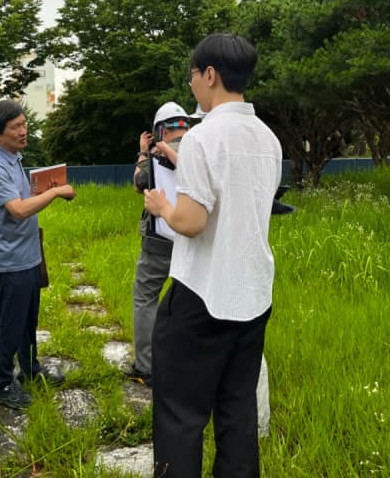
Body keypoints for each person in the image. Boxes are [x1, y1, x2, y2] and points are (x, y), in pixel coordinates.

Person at [144, 33, 282, 477]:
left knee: (181, 415)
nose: (192, 86)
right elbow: (233, 187)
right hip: (253, 294)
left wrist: (162, 206)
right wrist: (174, 155)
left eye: (193, 77)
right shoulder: (267, 138)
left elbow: (192, 220)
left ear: (210, 74)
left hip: (202, 295)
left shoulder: (204, 138)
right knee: (236, 413)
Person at [0, 100, 76, 409]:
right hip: (10, 261)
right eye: (15, 127)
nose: (23, 131)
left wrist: (46, 186)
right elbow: (18, 210)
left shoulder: (13, 159)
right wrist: (56, 192)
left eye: (24, 123)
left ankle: (30, 370)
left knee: (27, 321)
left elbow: (25, 198)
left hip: (28, 256)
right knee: (9, 325)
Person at [124, 102, 191, 387]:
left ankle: (146, 365)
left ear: (157, 130)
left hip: (158, 237)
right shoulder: (200, 150)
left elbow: (139, 183)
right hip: (191, 234)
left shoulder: (155, 155)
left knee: (146, 297)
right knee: (189, 301)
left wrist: (142, 151)